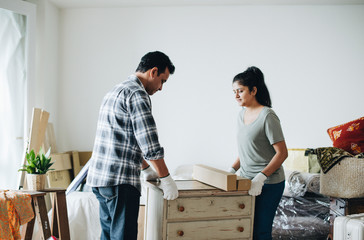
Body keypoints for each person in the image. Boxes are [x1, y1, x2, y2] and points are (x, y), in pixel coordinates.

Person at [86, 51, 179, 240]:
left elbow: (124, 139)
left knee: (109, 236)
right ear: (153, 72)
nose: (161, 88)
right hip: (120, 183)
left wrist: (145, 168)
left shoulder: (116, 90)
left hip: (100, 180)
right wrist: (166, 179)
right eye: (163, 81)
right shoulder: (138, 94)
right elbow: (149, 144)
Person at [228, 66, 288, 240]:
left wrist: (261, 178)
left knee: (261, 231)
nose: (236, 96)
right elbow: (248, 150)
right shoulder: (241, 115)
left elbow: (282, 153)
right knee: (245, 228)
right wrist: (231, 170)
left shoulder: (267, 116)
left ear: (254, 90)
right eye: (234, 92)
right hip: (246, 181)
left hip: (269, 183)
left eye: (240, 91)